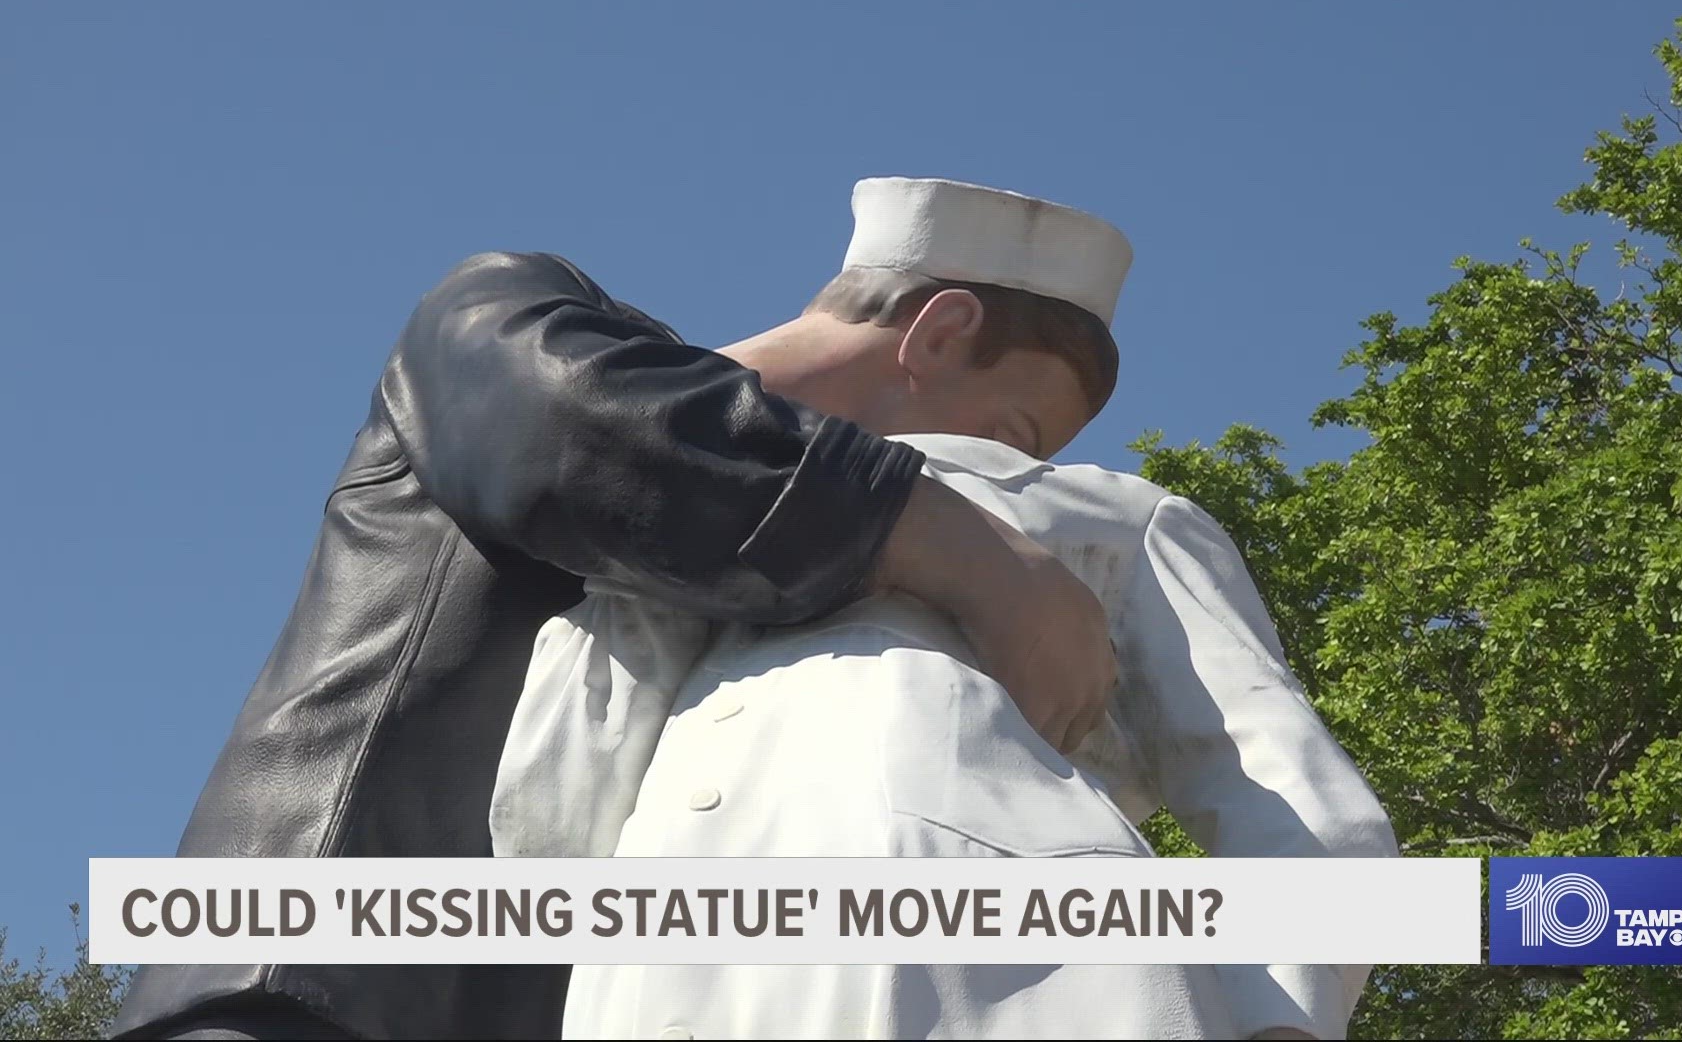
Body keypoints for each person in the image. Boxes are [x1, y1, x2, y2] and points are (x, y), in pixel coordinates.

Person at [112, 177, 1138, 1041]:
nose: (1004, 475)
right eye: (1015, 430)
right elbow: (572, 430)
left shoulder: (794, 578)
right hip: (307, 983)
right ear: (942, 332)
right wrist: (985, 558)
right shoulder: (510, 309)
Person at [490, 431, 1400, 1041]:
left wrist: (1274, 1017)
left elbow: (1284, 791)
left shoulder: (1106, 513)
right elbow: (562, 784)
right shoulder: (700, 511)